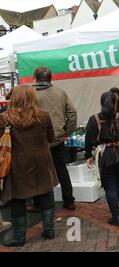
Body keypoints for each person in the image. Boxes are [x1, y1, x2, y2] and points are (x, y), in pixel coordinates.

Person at [1, 85, 58, 247]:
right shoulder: (44, 116)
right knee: (46, 192)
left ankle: (19, 237)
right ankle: (49, 229)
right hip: (41, 161)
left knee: (17, 198)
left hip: (17, 163)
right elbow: (51, 138)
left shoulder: (4, 118)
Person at [85, 92, 119, 227]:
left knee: (111, 187)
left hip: (106, 156)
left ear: (102, 103)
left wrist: (88, 156)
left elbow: (88, 140)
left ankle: (116, 217)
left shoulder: (94, 120)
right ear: (115, 103)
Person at [32, 67, 77, 211]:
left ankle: (40, 204)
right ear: (50, 78)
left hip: (38, 140)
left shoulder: (31, 94)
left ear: (36, 78)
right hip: (57, 138)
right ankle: (69, 200)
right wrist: (66, 132)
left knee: (39, 171)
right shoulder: (60, 92)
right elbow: (73, 113)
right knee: (61, 168)